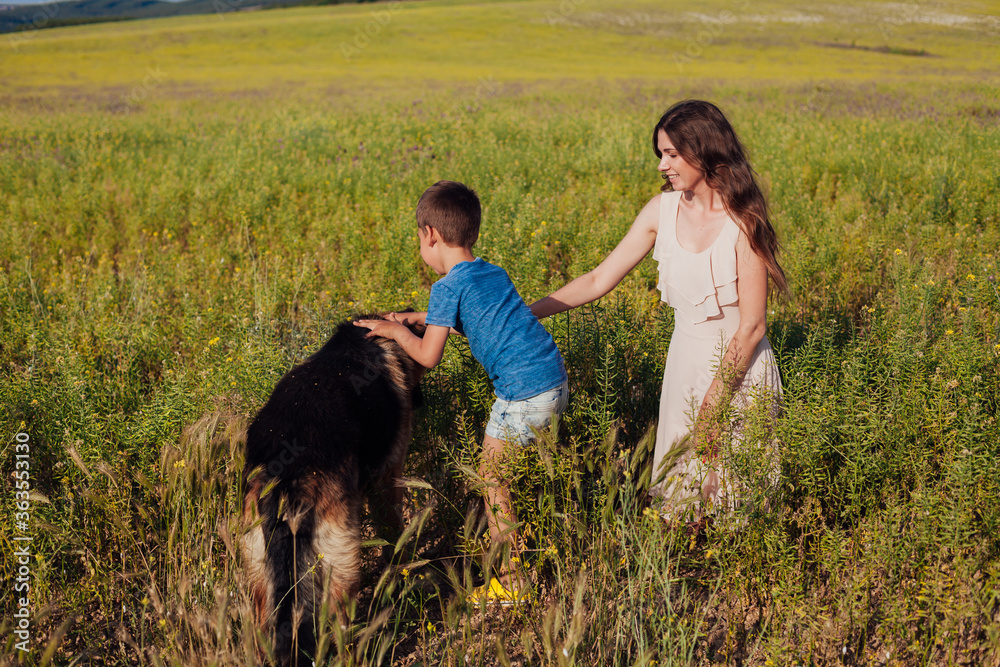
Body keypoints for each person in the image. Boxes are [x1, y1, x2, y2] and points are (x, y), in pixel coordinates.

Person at [529, 100, 787, 520]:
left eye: (671, 154)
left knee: (735, 508)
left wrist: (713, 405)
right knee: (683, 506)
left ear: (704, 151)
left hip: (738, 372)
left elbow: (752, 327)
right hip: (684, 364)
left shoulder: (744, 220)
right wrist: (525, 313)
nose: (662, 166)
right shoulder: (661, 211)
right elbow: (597, 280)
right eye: (660, 155)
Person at [354, 180, 568, 603]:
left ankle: (512, 581)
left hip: (521, 395)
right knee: (513, 476)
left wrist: (398, 330)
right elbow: (472, 317)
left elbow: (429, 355)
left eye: (418, 239)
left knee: (491, 477)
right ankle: (534, 553)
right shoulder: (490, 272)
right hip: (554, 380)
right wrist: (420, 314)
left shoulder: (446, 287)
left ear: (430, 234)